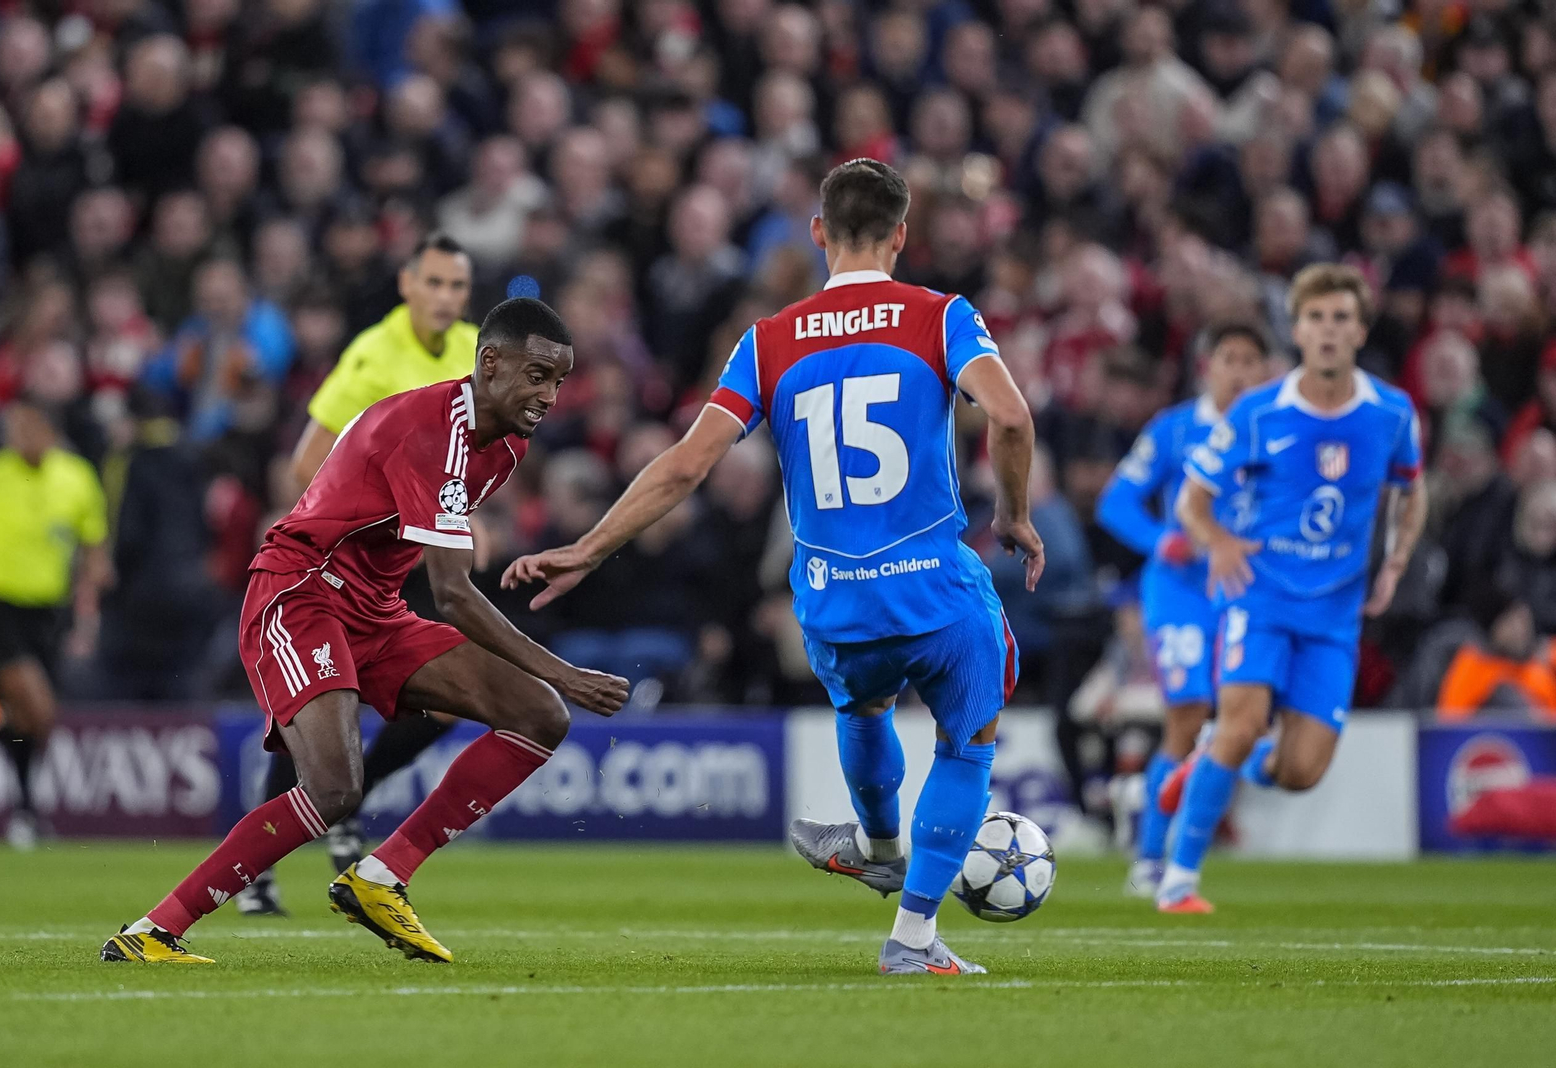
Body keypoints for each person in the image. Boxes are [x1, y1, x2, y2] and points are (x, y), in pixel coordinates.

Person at [504, 159, 1045, 976]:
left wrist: (587, 548)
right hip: (934, 585)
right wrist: (1014, 514)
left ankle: (875, 841)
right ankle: (911, 939)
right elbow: (1009, 416)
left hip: (834, 602)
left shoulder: (768, 341)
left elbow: (686, 467)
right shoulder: (941, 317)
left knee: (865, 711)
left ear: (819, 233)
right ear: (902, 235)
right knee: (967, 745)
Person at [100, 298, 629, 965]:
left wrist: (550, 683)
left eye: (558, 380)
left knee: (537, 715)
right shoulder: (431, 428)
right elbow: (452, 594)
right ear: (490, 363)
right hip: (300, 593)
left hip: (374, 610)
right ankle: (152, 931)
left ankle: (381, 877)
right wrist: (565, 669)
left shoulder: (505, 449)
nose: (549, 395)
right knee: (334, 789)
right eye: (537, 375)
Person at [1156, 264, 1426, 912]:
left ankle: (1213, 760)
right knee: (1243, 721)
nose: (1328, 331)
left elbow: (1411, 493)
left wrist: (1394, 563)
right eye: (1316, 318)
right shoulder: (1258, 412)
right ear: (1298, 329)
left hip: (1335, 612)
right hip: (1260, 593)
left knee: (1301, 772)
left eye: (1341, 318)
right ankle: (1178, 880)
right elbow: (1194, 500)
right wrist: (1217, 541)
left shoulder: (1391, 412)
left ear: (1359, 330)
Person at [237, 231, 481, 917]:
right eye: (433, 283)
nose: (444, 298)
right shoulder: (374, 355)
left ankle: (347, 805)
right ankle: (262, 868)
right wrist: (403, 513)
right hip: (337, 564)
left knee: (445, 700)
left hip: (400, 564)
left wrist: (458, 516)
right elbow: (303, 461)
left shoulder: (470, 350)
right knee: (317, 710)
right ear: (407, 285)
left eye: (456, 287)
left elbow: (458, 462)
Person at [1094, 323, 1270, 897]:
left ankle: (1173, 813)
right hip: (1180, 593)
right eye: (1230, 358)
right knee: (1187, 716)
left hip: (1245, 588)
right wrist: (1158, 541)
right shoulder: (1174, 430)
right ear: (1207, 368)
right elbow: (1115, 501)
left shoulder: (1274, 431)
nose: (1240, 371)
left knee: (1244, 719)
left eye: (1251, 360)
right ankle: (1150, 858)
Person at [0, 400, 109, 850]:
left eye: (28, 425)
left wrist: (87, 609)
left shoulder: (75, 477)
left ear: (48, 428)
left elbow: (93, 548)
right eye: (13, 426)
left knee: (27, 719)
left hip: (49, 614)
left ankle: (24, 808)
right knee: (37, 708)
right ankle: (22, 803)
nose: (20, 435)